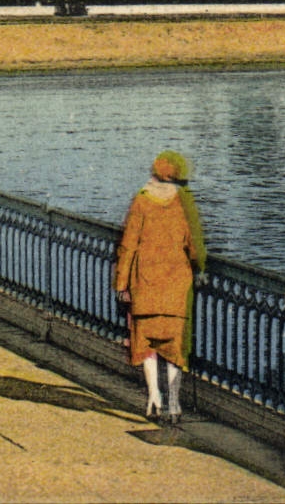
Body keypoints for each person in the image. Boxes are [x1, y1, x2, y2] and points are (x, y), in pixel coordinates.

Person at [114, 150, 207, 425]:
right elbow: (196, 243)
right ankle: (174, 402)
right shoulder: (185, 202)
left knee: (147, 344)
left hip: (144, 283)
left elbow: (127, 244)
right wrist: (199, 267)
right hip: (176, 284)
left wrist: (122, 283)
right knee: (175, 345)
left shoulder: (141, 201)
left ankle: (153, 396)